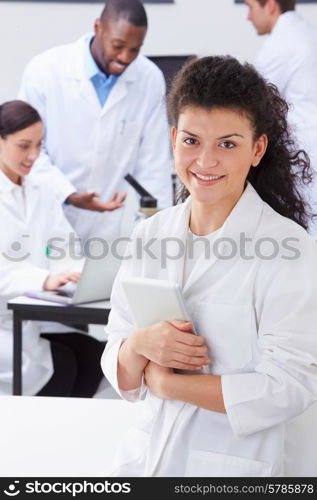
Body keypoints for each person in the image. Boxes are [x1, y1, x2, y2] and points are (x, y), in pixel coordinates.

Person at [101, 56, 317, 477]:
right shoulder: (151, 235)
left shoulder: (289, 250)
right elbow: (117, 351)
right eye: (191, 140)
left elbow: (291, 386)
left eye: (228, 144)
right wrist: (140, 345)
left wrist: (167, 383)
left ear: (257, 149)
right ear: (172, 139)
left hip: (242, 466)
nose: (205, 160)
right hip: (149, 458)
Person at [18, 0, 173, 243]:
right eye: (118, 46)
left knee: (100, 280)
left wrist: (158, 232)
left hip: (107, 226)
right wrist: (68, 194)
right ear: (98, 27)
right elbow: (27, 151)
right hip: (50, 213)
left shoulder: (149, 78)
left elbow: (154, 163)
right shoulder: (44, 72)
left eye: (135, 49)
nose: (125, 57)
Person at [0, 100, 105, 397]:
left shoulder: (40, 190)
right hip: (6, 322)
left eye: (39, 145)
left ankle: (67, 440)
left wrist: (75, 275)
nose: (33, 155)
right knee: (61, 366)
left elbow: (64, 247)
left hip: (28, 318)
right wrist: (43, 280)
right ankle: (32, 440)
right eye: (23, 146)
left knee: (92, 357)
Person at [245, 0, 317, 236]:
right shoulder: (307, 32)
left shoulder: (281, 43)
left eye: (251, 7)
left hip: (305, 160)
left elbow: (253, 100)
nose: (248, 16)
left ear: (271, 6)